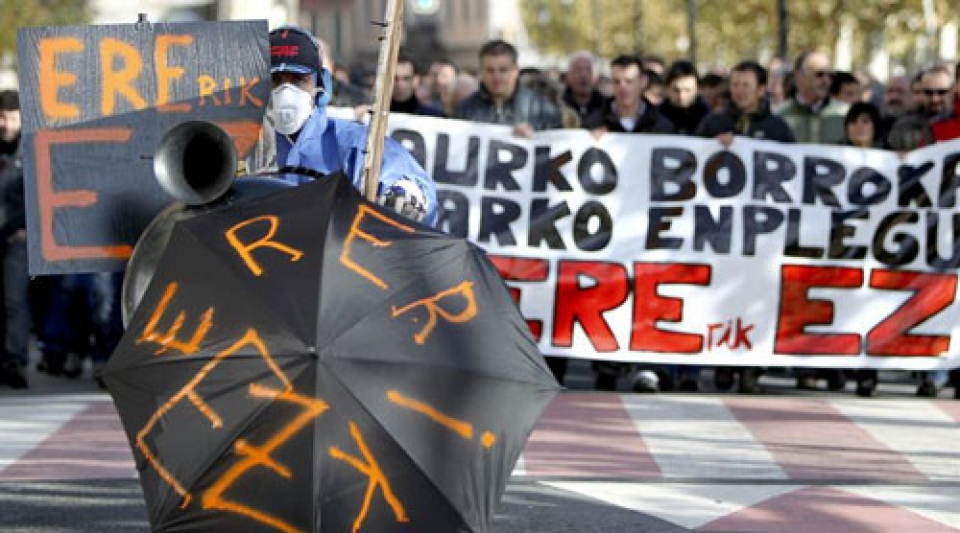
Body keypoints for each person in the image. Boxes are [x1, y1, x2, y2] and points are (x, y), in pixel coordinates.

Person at [268, 26, 437, 226]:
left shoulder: (356, 146)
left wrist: (406, 193)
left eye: (298, 80)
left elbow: (401, 174)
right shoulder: (239, 149)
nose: (285, 91)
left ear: (321, 84)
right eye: (275, 80)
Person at [696, 60, 795, 394]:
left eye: (745, 85)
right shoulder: (713, 123)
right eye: (735, 85)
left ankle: (751, 366)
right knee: (723, 291)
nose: (739, 91)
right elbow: (691, 165)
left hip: (761, 229)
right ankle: (723, 363)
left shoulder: (779, 128)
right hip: (721, 226)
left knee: (757, 294)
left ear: (762, 89)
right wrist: (713, 149)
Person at [456, 39, 563, 136]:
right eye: (490, 70)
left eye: (503, 70)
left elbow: (558, 146)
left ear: (516, 71)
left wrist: (535, 137)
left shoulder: (541, 108)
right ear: (481, 73)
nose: (496, 77)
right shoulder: (465, 109)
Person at [583, 54, 675, 137]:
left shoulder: (662, 126)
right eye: (616, 81)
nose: (622, 87)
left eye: (629, 81)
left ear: (643, 81)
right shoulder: (594, 123)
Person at [0, 89, 25, 389]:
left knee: (15, 301)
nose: (6, 124)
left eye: (11, 118)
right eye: (2, 118)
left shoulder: (29, 149)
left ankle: (15, 360)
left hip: (18, 237)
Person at [776, 51, 848, 144]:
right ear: (799, 76)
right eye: (819, 74)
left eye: (830, 76)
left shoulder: (844, 115)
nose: (826, 81)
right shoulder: (779, 116)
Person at [659, 60, 710, 135]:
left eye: (687, 90)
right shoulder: (655, 119)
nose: (681, 96)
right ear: (666, 89)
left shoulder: (708, 118)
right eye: (676, 90)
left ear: (698, 89)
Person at [563, 51, 605, 125]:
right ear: (568, 76)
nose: (583, 75)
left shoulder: (607, 109)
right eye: (578, 70)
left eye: (588, 70)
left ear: (596, 77)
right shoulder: (557, 107)